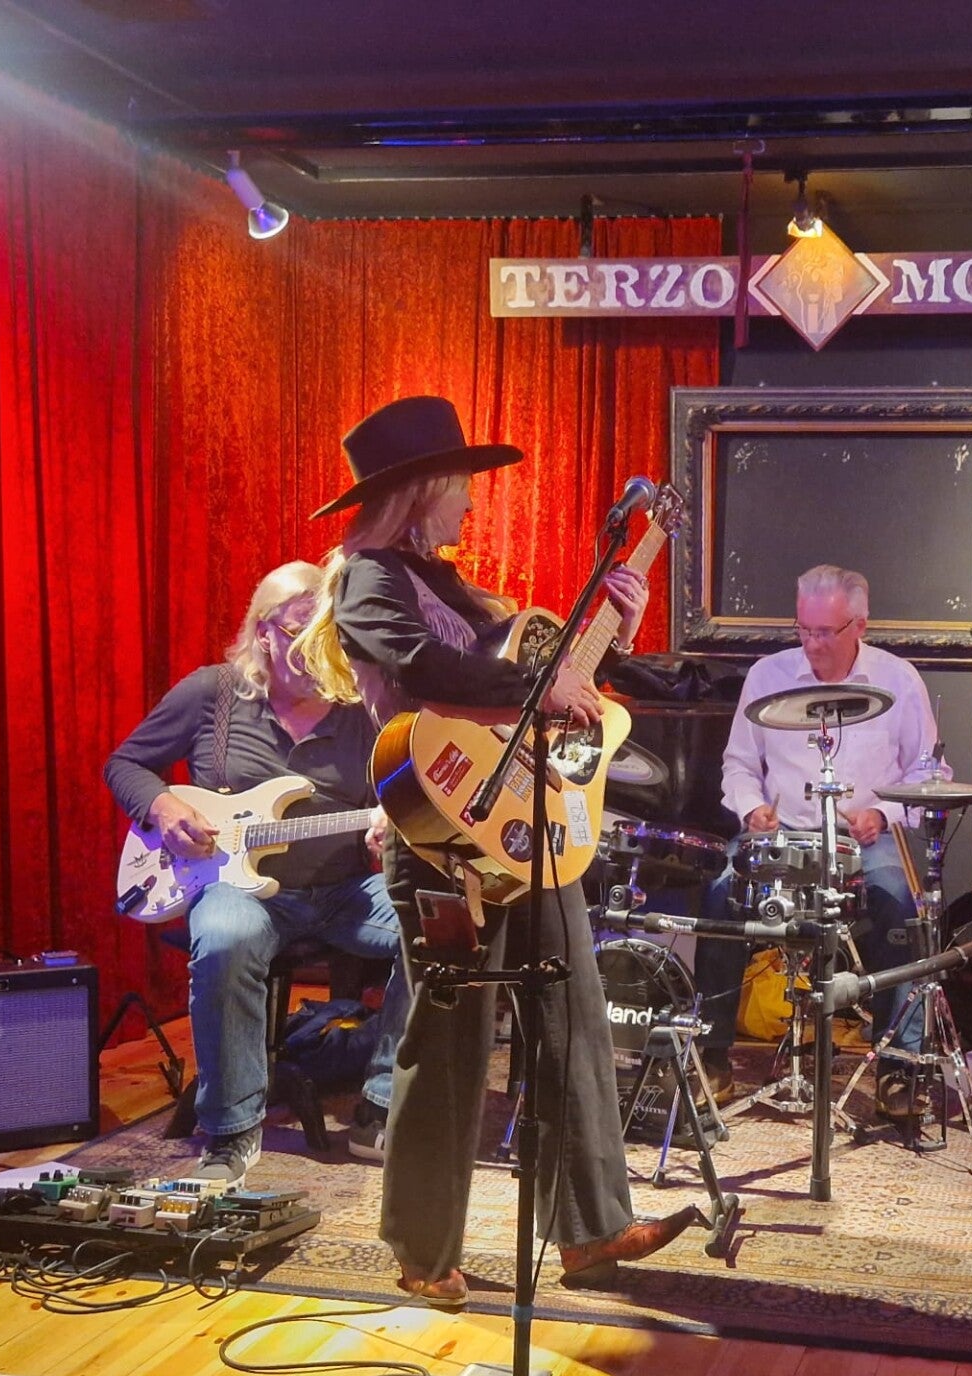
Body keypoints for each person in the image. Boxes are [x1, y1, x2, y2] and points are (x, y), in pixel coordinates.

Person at [296, 394, 696, 1307]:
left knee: (573, 1013)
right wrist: (539, 684)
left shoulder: (456, 588)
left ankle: (593, 1229)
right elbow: (433, 671)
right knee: (450, 1040)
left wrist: (616, 631)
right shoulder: (367, 579)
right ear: (423, 489)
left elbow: (548, 682)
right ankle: (422, 1248)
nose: (473, 503)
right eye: (462, 484)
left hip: (523, 829)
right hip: (440, 841)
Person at [104, 561, 406, 1183]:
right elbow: (126, 764)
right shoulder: (211, 694)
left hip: (344, 889)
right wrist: (163, 806)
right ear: (263, 631)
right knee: (225, 937)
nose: (315, 649)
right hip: (238, 889)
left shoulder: (363, 707)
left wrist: (392, 819)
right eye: (300, 632)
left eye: (327, 634)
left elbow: (400, 793)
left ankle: (381, 1100)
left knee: (434, 924)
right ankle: (233, 1129)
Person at [701, 564, 945, 1119]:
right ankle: (711, 1059)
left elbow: (928, 771)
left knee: (901, 905)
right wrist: (751, 807)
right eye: (803, 630)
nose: (811, 645)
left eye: (825, 633)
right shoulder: (768, 675)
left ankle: (900, 1068)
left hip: (863, 836)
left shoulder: (898, 679)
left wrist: (883, 813)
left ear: (860, 625)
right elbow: (738, 764)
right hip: (784, 832)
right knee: (719, 896)